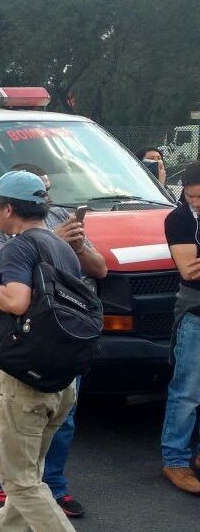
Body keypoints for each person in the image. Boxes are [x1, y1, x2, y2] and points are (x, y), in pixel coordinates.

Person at [0, 163, 107, 518]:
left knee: (20, 483)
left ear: (8, 209)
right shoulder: (60, 244)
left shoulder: (18, 247)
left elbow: (17, 301)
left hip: (25, 372)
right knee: (30, 475)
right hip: (62, 368)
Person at [161, 161, 200, 494]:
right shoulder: (179, 219)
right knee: (187, 391)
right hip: (196, 311)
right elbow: (190, 270)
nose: (196, 202)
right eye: (190, 196)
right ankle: (175, 459)